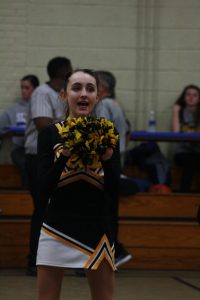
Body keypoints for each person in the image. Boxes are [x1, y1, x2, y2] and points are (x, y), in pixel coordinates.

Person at [36, 69, 121, 300]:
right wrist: (64, 155)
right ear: (64, 95)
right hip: (56, 227)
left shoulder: (109, 134)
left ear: (98, 96)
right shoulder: (49, 135)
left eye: (90, 89)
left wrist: (106, 159)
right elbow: (42, 189)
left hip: (97, 229)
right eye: (76, 88)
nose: (83, 94)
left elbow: (114, 190)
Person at [25, 56, 73, 275]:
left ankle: (61, 259)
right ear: (62, 71)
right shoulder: (42, 93)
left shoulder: (62, 96)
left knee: (60, 209)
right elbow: (42, 122)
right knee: (42, 209)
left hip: (60, 157)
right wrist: (72, 130)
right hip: (39, 157)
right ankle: (34, 261)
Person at [94, 70, 133, 268]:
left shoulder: (104, 105)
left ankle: (114, 251)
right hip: (115, 163)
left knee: (104, 211)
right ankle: (113, 251)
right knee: (108, 210)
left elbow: (101, 135)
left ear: (102, 87)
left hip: (106, 165)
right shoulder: (115, 105)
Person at [0, 74, 40, 188]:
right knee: (25, 164)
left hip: (37, 148)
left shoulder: (40, 107)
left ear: (35, 89)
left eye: (27, 88)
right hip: (20, 148)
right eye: (22, 87)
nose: (23, 91)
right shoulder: (13, 109)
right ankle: (26, 196)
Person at [172, 84, 200, 192]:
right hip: (183, 152)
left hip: (198, 151)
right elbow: (175, 133)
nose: (191, 97)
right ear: (183, 97)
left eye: (195, 95)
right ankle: (184, 194)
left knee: (195, 159)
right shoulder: (180, 112)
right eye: (188, 95)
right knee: (191, 161)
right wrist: (175, 111)